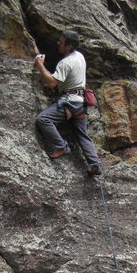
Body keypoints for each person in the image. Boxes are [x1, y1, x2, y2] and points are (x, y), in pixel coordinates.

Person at [35, 30, 102, 175]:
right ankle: (94, 163)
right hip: (80, 102)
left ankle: (61, 146)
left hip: (70, 102)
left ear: (69, 46)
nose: (58, 43)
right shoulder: (80, 56)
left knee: (43, 119)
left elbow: (52, 82)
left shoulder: (65, 63)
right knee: (82, 134)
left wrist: (40, 65)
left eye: (61, 41)